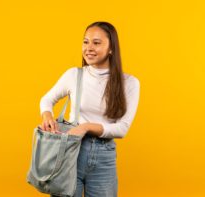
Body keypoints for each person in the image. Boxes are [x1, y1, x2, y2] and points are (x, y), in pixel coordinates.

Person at [39, 21, 140, 197]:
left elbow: (122, 128)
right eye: (85, 42)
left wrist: (85, 127)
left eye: (96, 42)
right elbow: (47, 99)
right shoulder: (73, 75)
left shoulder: (129, 83)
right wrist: (47, 115)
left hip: (104, 157)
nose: (89, 48)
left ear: (111, 48)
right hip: (70, 152)